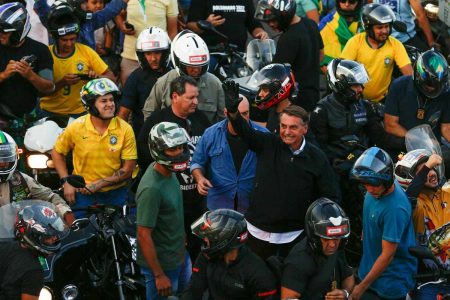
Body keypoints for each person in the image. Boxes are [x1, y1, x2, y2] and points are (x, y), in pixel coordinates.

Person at [223, 80, 339, 260]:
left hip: (295, 237)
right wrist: (233, 113)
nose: (287, 132)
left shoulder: (317, 158)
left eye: (293, 127)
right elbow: (245, 131)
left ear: (305, 129)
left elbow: (330, 197)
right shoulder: (268, 143)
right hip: (257, 233)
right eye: (283, 126)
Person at [137, 75, 210, 260]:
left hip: (196, 201)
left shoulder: (201, 120)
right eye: (190, 97)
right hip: (168, 204)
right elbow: (144, 154)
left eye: (197, 97)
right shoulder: (157, 122)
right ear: (175, 96)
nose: (196, 102)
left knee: (196, 250)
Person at [51, 78, 137, 217]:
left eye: (111, 100)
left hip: (117, 193)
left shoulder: (125, 129)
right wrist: (66, 181)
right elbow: (57, 152)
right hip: (83, 193)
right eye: (104, 101)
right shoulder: (76, 127)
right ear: (90, 105)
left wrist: (98, 184)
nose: (110, 104)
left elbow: (128, 170)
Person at [349, 146, 417, 299]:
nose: (369, 189)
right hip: (369, 272)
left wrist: (360, 288)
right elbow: (374, 215)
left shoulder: (395, 208)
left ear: (386, 181)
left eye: (373, 184)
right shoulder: (376, 189)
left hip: (390, 283)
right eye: (365, 184)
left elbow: (387, 255)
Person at [136, 122, 192, 299]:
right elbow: (143, 235)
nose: (179, 152)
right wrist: (159, 276)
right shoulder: (151, 189)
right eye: (172, 149)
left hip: (179, 256)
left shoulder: (169, 172)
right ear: (158, 150)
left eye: (181, 147)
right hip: (163, 267)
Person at [191, 97, 269, 213]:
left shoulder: (263, 135)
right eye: (237, 114)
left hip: (251, 208)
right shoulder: (211, 134)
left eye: (245, 113)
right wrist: (200, 178)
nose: (241, 119)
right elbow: (197, 162)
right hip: (218, 207)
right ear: (226, 113)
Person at [182, 209, 278, 299]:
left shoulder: (259, 274)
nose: (205, 239)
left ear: (223, 242)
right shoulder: (206, 256)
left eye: (209, 237)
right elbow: (193, 289)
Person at [39, 3, 115, 117]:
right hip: (49, 113)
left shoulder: (86, 52)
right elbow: (41, 92)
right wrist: (63, 82)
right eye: (64, 40)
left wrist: (96, 78)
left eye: (73, 39)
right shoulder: (45, 54)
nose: (69, 44)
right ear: (55, 38)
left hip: (80, 113)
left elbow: (111, 78)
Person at [394, 151, 450, 298]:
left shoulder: (447, 192)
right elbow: (409, 198)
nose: (431, 173)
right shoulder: (413, 205)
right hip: (430, 278)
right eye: (424, 170)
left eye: (432, 168)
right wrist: (428, 166)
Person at [142, 30, 225, 124]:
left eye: (200, 65)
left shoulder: (215, 84)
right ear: (178, 62)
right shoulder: (163, 83)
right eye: (191, 66)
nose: (196, 70)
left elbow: (223, 120)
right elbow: (149, 114)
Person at [255, 0, 324, 111]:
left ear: (285, 13)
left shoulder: (288, 38)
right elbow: (321, 55)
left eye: (273, 20)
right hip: (313, 95)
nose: (271, 25)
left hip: (293, 103)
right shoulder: (311, 24)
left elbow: (276, 78)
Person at [281, 198, 354, 299]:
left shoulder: (339, 246)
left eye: (337, 238)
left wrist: (345, 293)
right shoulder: (297, 261)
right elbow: (287, 298)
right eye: (326, 239)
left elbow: (349, 277)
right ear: (315, 237)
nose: (333, 245)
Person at [341, 3, 413, 103]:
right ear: (368, 27)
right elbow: (342, 72)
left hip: (383, 100)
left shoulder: (396, 45)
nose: (384, 31)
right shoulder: (355, 42)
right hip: (355, 100)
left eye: (386, 26)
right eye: (380, 27)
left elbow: (409, 75)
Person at [384, 50, 450, 157]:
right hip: (401, 147)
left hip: (432, 151)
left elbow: (446, 128)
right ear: (419, 76)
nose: (433, 89)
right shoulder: (399, 86)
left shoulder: (446, 92)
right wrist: (419, 140)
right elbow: (390, 125)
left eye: (438, 85)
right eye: (429, 85)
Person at [0, 130, 74, 225]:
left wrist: (66, 213)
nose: (2, 162)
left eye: (6, 157)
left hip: (18, 236)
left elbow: (51, 197)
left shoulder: (21, 180)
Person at [0, 2, 54, 132]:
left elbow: (49, 88)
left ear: (18, 31)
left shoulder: (40, 50)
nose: (0, 35)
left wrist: (30, 75)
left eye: (4, 32)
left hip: (30, 120)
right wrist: (4, 75)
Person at [0, 202, 68, 300]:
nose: (55, 239)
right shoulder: (34, 271)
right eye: (49, 236)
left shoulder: (5, 247)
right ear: (35, 235)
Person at [118, 26, 171, 136]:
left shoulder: (175, 74)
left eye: (157, 53)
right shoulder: (135, 77)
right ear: (141, 55)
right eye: (148, 54)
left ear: (165, 52)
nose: (153, 58)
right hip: (144, 136)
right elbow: (123, 114)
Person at [117, 0, 178, 86]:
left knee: (158, 93)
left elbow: (172, 32)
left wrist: (165, 57)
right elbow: (117, 13)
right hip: (131, 56)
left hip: (157, 57)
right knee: (129, 94)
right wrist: (121, 25)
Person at [34, 0, 128, 50]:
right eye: (65, 39)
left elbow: (110, 11)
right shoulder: (53, 19)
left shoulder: (89, 21)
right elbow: (40, 6)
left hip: (88, 70)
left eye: (84, 4)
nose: (69, 43)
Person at [186, 0, 268, 52]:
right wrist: (205, 23)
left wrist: (260, 32)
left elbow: (253, 23)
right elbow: (190, 26)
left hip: (238, 54)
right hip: (211, 53)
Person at [250, 63, 298, 133]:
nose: (260, 94)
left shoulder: (293, 118)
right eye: (261, 89)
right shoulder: (272, 110)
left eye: (265, 89)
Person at [319, 0, 363, 70]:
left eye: (351, 1)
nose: (346, 4)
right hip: (333, 72)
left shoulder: (366, 22)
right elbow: (319, 56)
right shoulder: (326, 23)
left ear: (359, 3)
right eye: (342, 1)